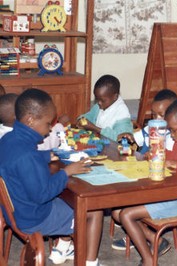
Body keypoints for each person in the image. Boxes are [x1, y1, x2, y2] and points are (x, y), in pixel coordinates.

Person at [0, 89, 104, 265]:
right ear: (31, 120)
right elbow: (42, 194)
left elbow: (16, 162)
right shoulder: (27, 155)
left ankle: (62, 249)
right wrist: (67, 172)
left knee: (69, 200)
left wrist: (46, 155)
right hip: (34, 218)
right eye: (48, 123)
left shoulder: (8, 139)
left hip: (14, 211)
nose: (49, 130)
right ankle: (90, 262)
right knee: (93, 210)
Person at [111, 99, 177, 266]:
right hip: (168, 193)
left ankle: (149, 260)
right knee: (117, 212)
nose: (171, 134)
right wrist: (154, 155)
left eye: (173, 130)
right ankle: (157, 240)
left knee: (126, 215)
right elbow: (168, 158)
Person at [118, 89, 177, 158]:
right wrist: (128, 137)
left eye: (162, 115)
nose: (157, 119)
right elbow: (134, 139)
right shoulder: (149, 129)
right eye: (154, 114)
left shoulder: (174, 136)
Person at [77, 74, 133, 141]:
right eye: (97, 99)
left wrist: (95, 128)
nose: (99, 102)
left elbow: (120, 138)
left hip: (113, 149)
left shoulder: (122, 113)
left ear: (115, 96)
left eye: (102, 100)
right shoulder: (100, 105)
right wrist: (81, 120)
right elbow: (89, 116)